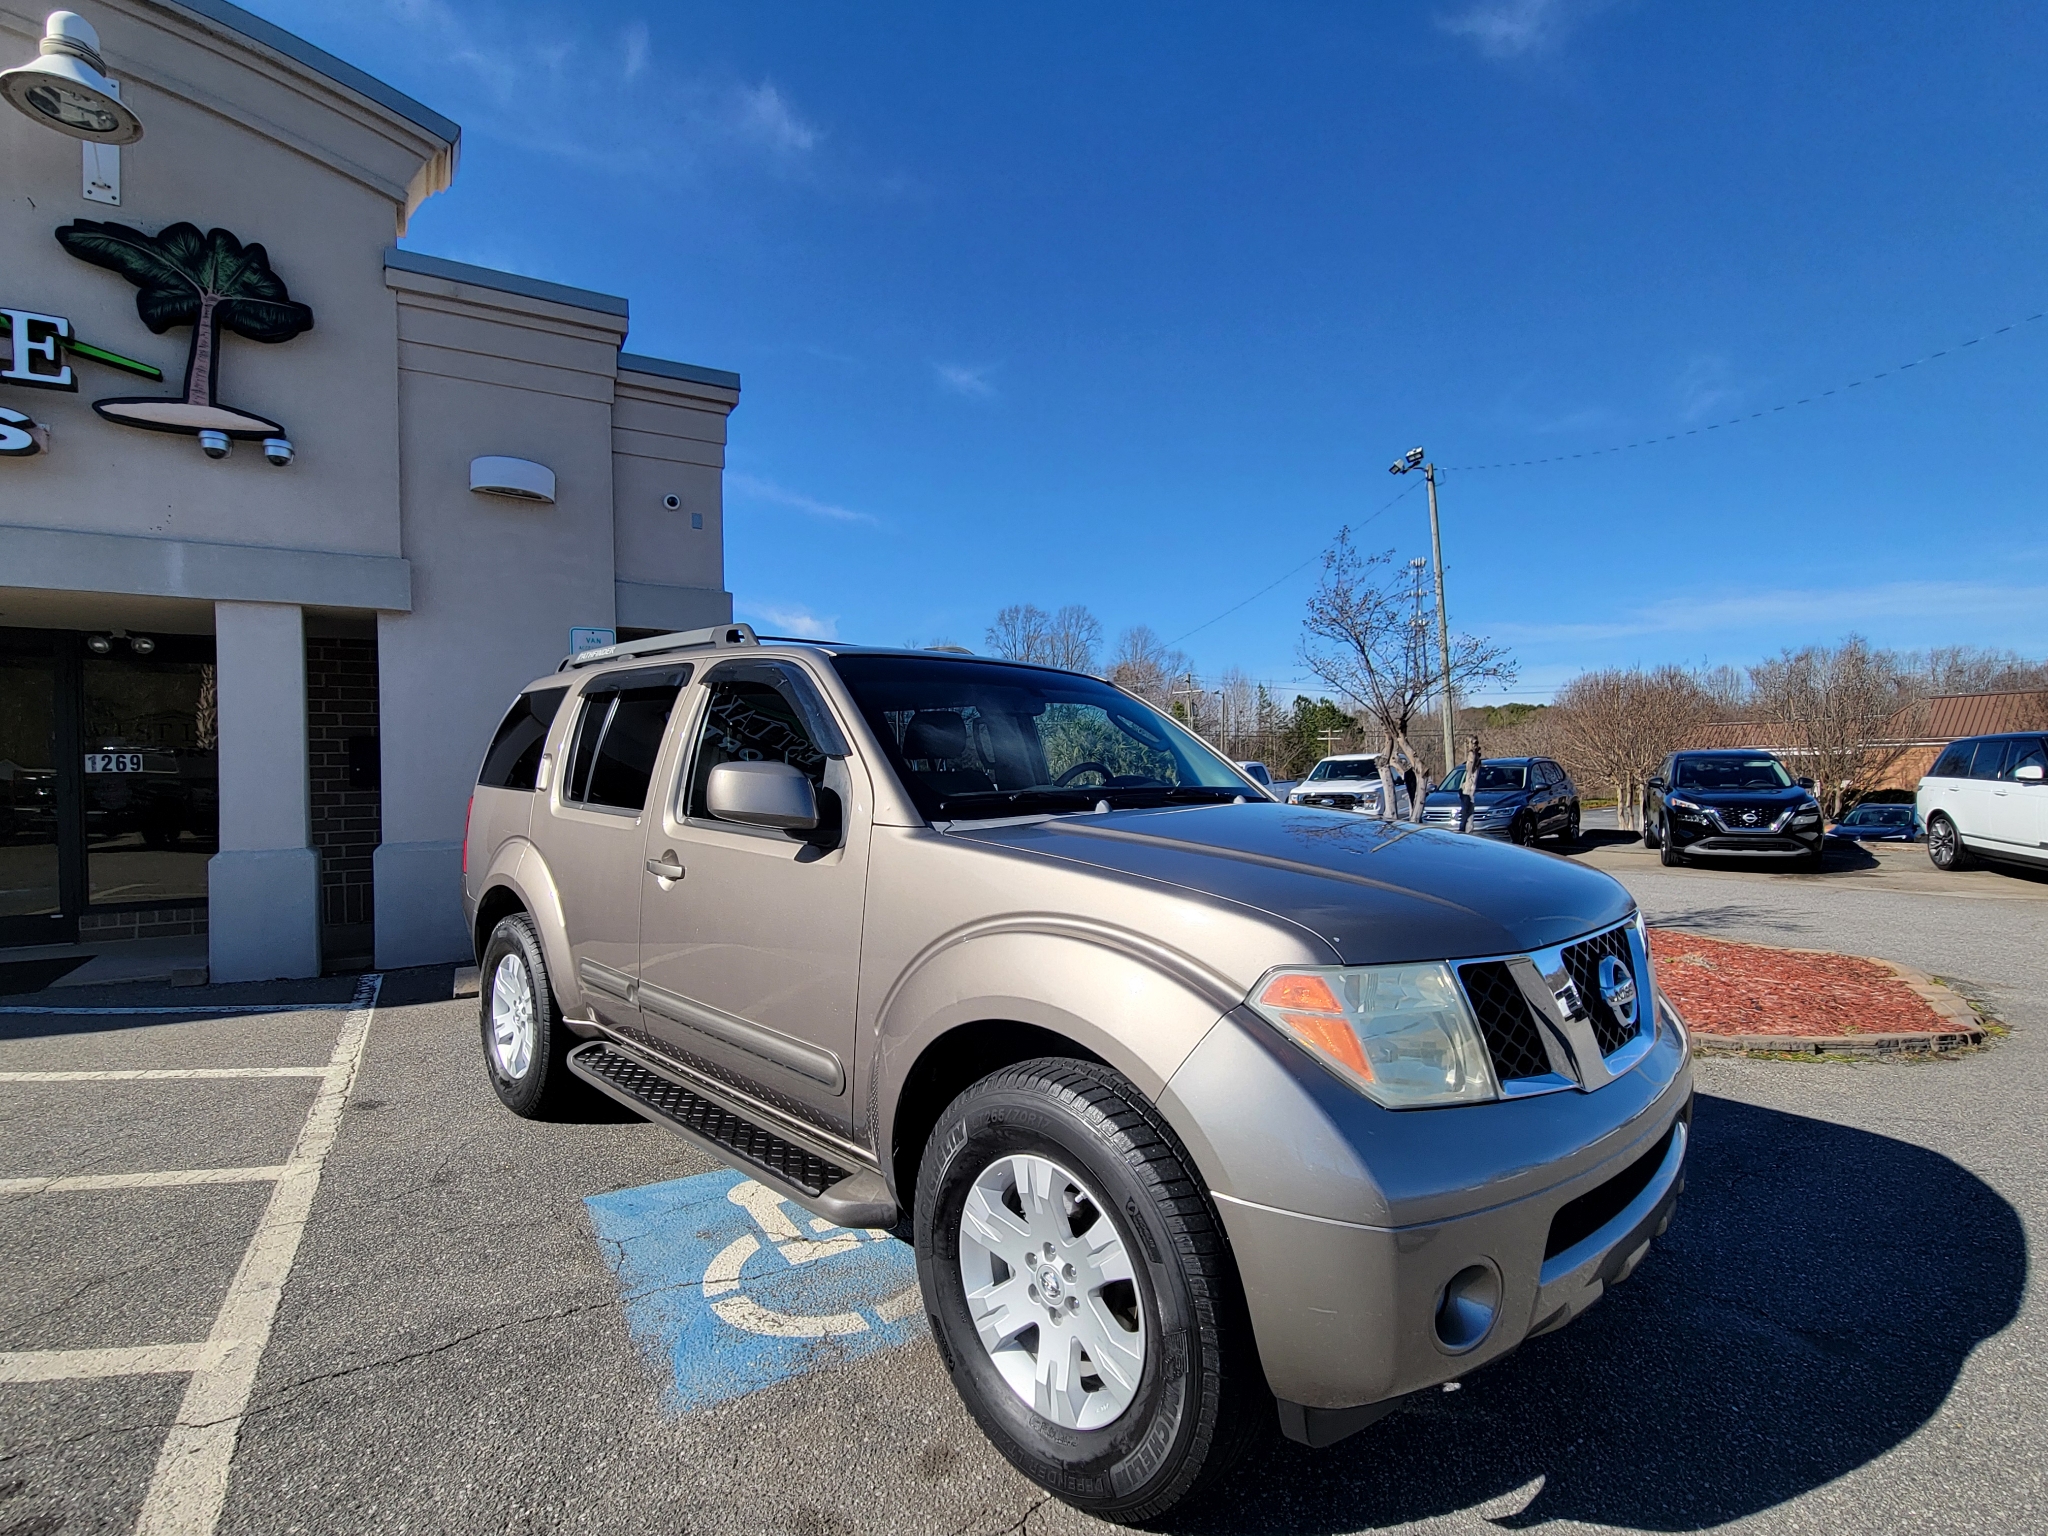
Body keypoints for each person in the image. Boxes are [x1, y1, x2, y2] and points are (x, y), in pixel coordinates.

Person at [1456, 734, 1481, 833]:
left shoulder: (1475, 759)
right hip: (1466, 790)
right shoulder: (1470, 759)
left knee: (1469, 817)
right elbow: (1469, 769)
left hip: (1471, 790)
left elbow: (1472, 770)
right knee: (1466, 816)